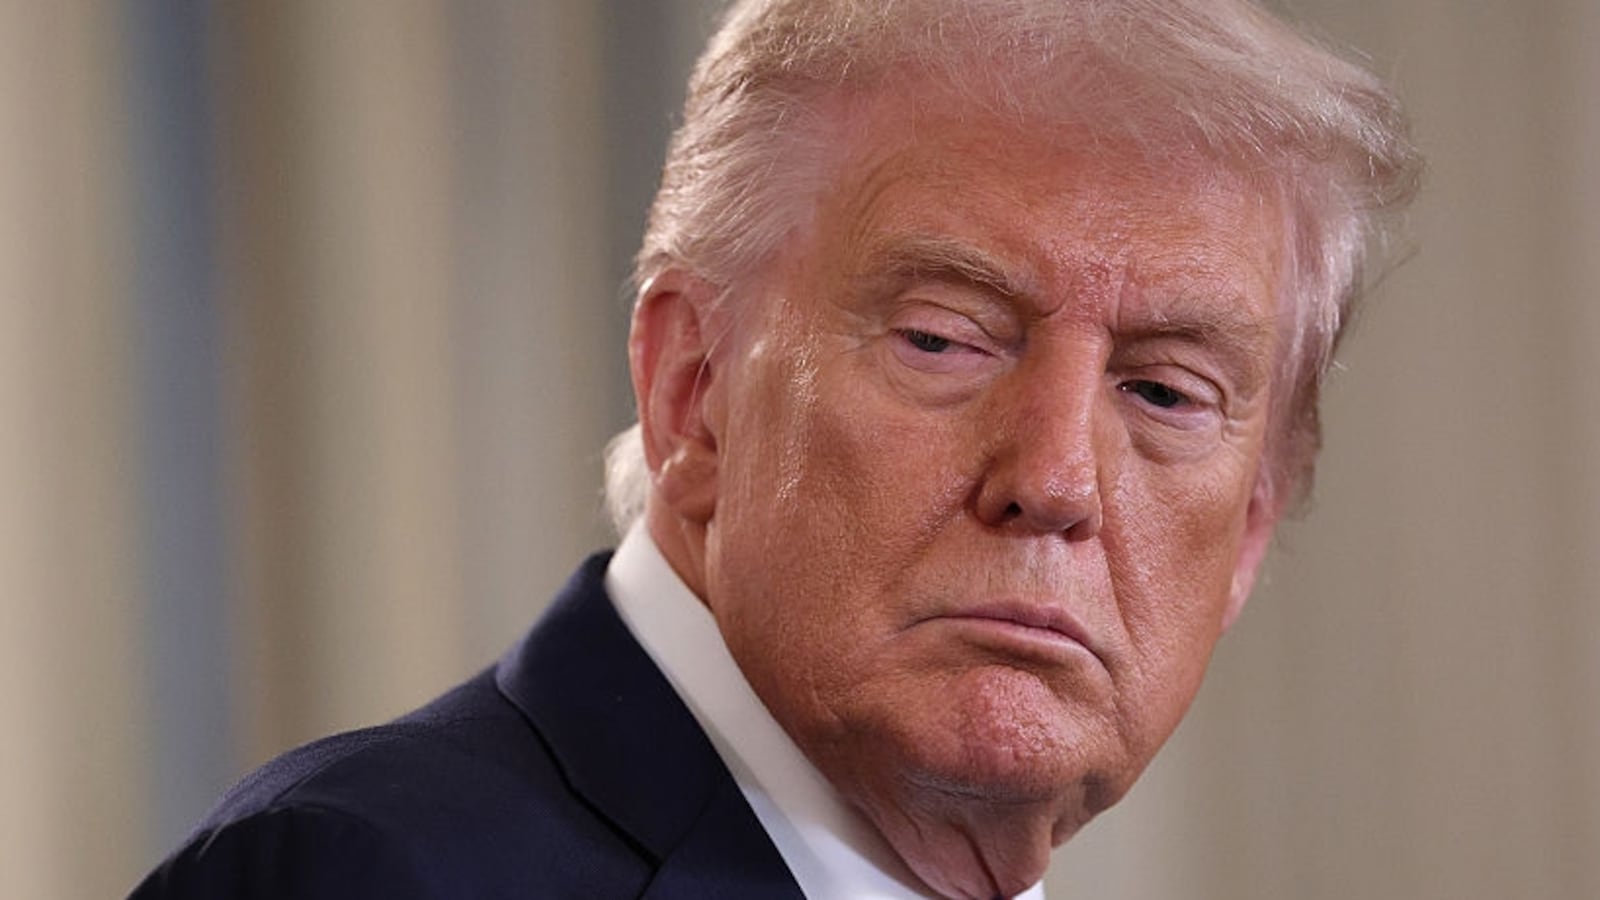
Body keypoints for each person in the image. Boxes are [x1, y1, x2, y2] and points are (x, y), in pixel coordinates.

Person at [132, 0, 1420, 897]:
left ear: (1250, 530)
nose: (1056, 480)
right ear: (695, 394)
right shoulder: (372, 875)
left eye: (1167, 392)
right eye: (943, 339)